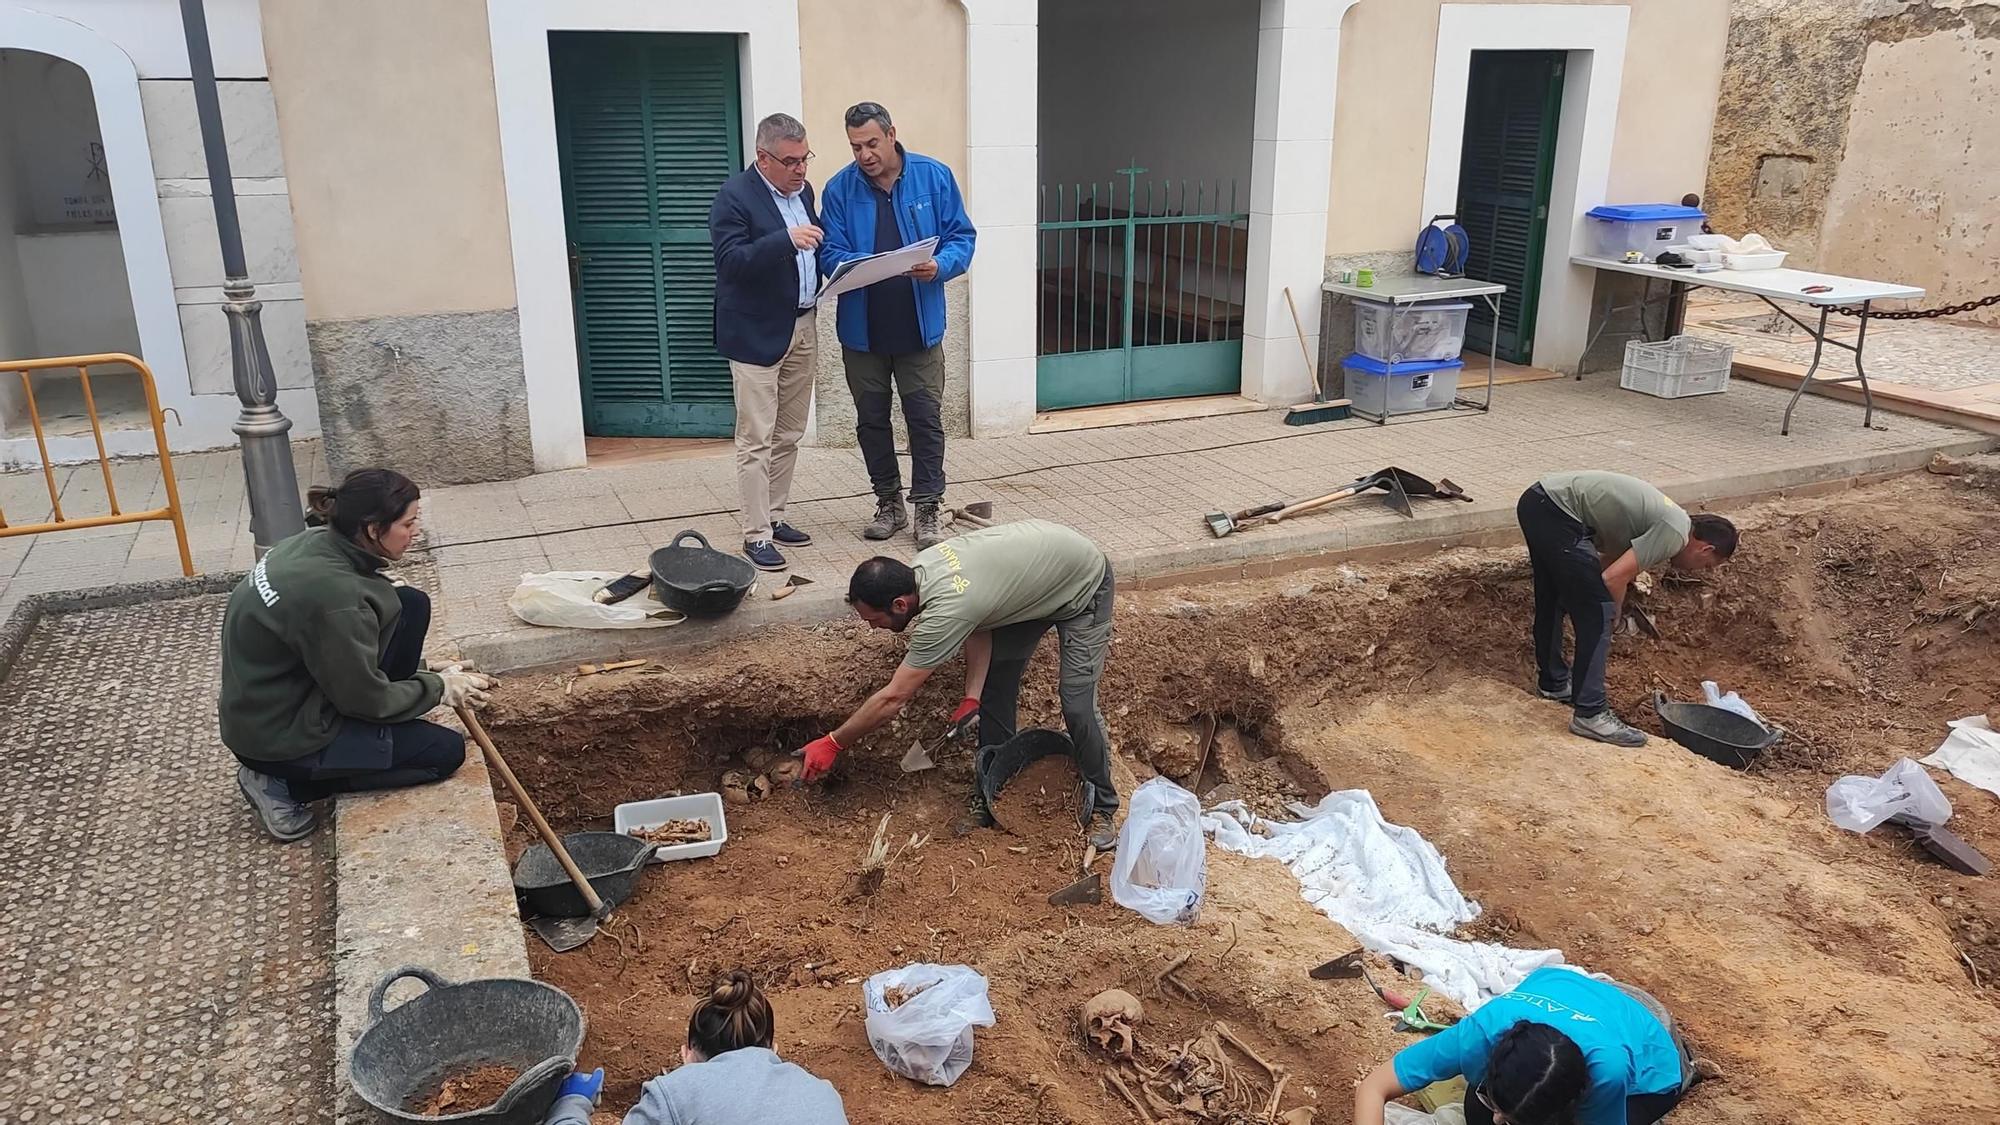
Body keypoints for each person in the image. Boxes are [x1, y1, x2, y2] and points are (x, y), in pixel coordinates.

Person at [797, 519, 1121, 849]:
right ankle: (995, 792)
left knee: (1077, 704)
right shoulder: (923, 568)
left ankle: (1104, 807)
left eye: (874, 620)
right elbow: (977, 619)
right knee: (996, 682)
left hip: (1083, 584)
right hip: (1040, 577)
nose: (871, 628)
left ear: (899, 605)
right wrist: (972, 696)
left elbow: (892, 698)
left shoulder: (946, 611)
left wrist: (834, 742)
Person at [219, 469, 494, 842]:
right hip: (281, 736)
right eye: (407, 524)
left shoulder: (317, 541)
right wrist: (435, 688)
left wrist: (423, 671)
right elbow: (364, 699)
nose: (416, 532)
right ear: (371, 529)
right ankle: (281, 783)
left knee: (409, 604)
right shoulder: (336, 601)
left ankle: (375, 730)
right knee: (442, 753)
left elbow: (340, 645)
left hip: (285, 694)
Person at [817, 101, 977, 548]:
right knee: (871, 420)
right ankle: (888, 503)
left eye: (871, 143)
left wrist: (940, 265)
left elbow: (961, 237)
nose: (864, 155)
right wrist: (854, 264)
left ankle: (928, 506)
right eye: (855, 147)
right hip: (863, 330)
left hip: (919, 327)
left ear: (891, 134)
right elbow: (828, 251)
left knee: (925, 418)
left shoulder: (934, 176)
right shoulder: (839, 189)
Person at [1517, 471, 1736, 747]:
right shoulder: (1674, 534)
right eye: (1706, 566)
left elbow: (1606, 565)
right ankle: (1591, 713)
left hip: (1540, 501)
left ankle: (1554, 683)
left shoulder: (1667, 520)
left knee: (1554, 595)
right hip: (1558, 512)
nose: (1699, 570)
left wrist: (1588, 591)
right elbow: (1612, 578)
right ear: (1706, 549)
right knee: (1598, 612)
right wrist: (1612, 613)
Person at [1353, 967, 1695, 1125]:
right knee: (1478, 1113)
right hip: (1573, 990)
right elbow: (1373, 1087)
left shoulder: (1608, 1073)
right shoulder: (1483, 1032)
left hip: (1651, 1055)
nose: (1499, 1120)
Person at [710, 112, 823, 574]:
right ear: (763, 157)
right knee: (755, 439)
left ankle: (776, 517)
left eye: (805, 159)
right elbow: (730, 263)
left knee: (790, 434)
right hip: (755, 334)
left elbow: (816, 243)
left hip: (803, 324)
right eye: (791, 161)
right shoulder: (734, 196)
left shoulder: (805, 193)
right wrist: (784, 240)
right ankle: (755, 535)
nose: (801, 170)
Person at [542, 969, 848, 1125]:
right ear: (774, 1049)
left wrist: (571, 1105)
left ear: (687, 1053)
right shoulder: (824, 1094)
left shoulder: (674, 1093)